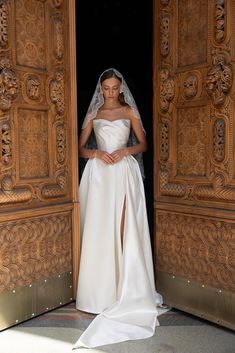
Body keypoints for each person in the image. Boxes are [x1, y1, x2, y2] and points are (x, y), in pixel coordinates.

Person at [73, 68, 167, 350]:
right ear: (101, 89)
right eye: (106, 88)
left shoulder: (129, 112)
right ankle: (98, 294)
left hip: (124, 172)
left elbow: (144, 144)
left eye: (115, 88)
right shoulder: (94, 114)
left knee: (124, 228)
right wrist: (97, 153)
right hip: (99, 174)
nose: (110, 92)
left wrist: (126, 151)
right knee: (99, 230)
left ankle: (126, 287)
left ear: (121, 88)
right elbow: (80, 149)